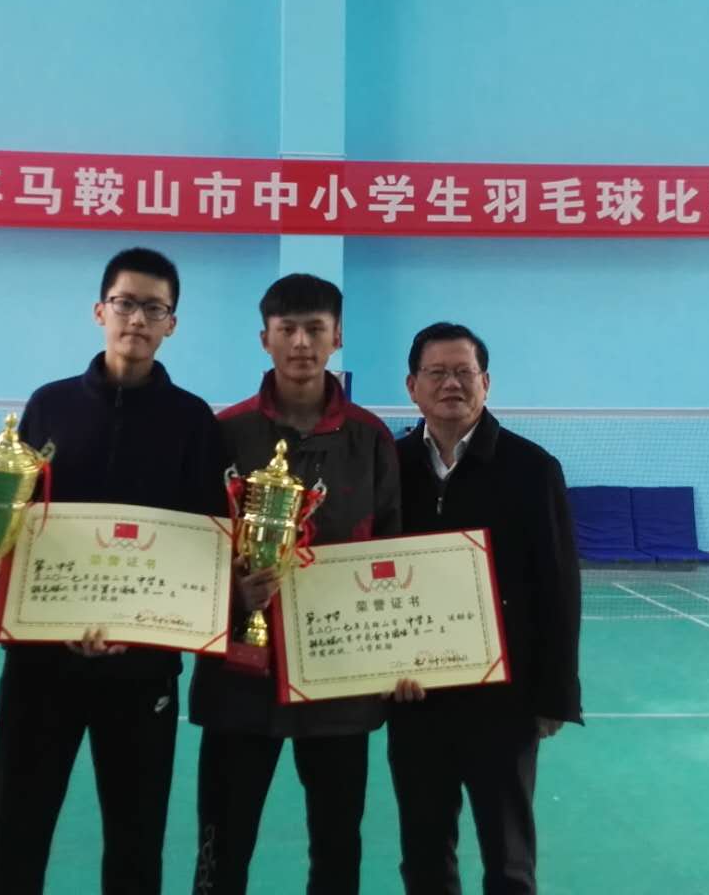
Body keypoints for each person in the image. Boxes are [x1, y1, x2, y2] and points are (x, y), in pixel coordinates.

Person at [0, 247, 227, 895]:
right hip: (41, 666)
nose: (137, 319)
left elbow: (203, 543)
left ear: (171, 323)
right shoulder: (49, 406)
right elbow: (17, 524)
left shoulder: (192, 421)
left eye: (154, 308)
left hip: (142, 672)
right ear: (100, 311)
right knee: (15, 838)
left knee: (135, 848)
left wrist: (140, 629)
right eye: (125, 303)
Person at [189, 273, 402, 895]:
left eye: (315, 329)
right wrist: (234, 595)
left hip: (338, 684)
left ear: (337, 337)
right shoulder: (223, 433)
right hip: (237, 681)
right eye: (287, 330)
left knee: (337, 851)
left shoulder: (370, 439)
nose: (301, 343)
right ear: (265, 338)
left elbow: (392, 554)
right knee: (221, 848)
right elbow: (193, 547)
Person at [386, 322, 582, 895]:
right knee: (424, 854)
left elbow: (559, 587)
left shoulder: (532, 468)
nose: (451, 384)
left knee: (509, 859)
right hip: (416, 697)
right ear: (412, 386)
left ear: (486, 383)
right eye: (436, 373)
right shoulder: (390, 466)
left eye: (463, 372)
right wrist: (379, 672)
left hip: (505, 701)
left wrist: (554, 695)